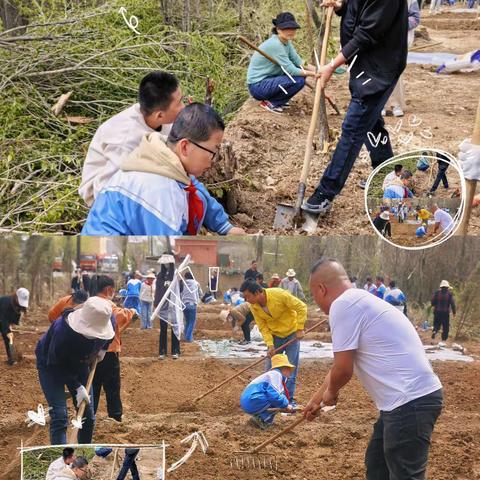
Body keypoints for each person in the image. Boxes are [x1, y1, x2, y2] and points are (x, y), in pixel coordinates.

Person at [304, 258, 443, 480]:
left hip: (410, 401)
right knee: (377, 464)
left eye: (313, 294)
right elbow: (339, 365)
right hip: (406, 401)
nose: (317, 302)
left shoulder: (342, 305)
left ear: (321, 289)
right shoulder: (359, 301)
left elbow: (343, 370)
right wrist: (316, 399)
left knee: (404, 474)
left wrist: (331, 394)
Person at [302, 0, 408, 215]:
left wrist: (332, 65)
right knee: (371, 124)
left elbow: (367, 33)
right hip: (364, 64)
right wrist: (341, 6)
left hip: (378, 69)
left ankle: (325, 193)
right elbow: (358, 9)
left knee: (353, 129)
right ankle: (389, 174)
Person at [82, 103, 245, 236]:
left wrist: (225, 227)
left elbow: (196, 190)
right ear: (185, 147)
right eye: (213, 152)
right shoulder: (159, 191)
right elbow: (169, 257)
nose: (214, 161)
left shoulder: (166, 162)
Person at [79, 71, 185, 206]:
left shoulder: (155, 116)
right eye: (179, 103)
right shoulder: (126, 140)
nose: (184, 107)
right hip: (101, 196)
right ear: (159, 116)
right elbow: (103, 192)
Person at [35, 296, 115, 444]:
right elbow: (55, 363)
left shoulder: (105, 317)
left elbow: (113, 325)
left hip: (80, 363)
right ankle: (60, 461)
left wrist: (103, 349)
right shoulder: (62, 332)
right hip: (51, 366)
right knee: (59, 415)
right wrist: (77, 386)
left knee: (87, 414)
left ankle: (84, 456)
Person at [240, 281, 307, 404]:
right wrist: (270, 344)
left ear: (257, 293)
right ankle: (268, 400)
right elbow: (262, 326)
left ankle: (288, 400)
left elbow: (301, 307)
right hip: (275, 337)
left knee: (290, 369)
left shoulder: (279, 294)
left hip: (292, 333)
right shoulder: (253, 307)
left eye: (248, 296)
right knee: (270, 370)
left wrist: (300, 328)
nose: (246, 300)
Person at [247, 12, 320, 114]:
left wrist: (318, 69)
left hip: (268, 81)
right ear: (278, 29)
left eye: (292, 28)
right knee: (298, 80)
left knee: (300, 76)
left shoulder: (286, 42)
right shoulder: (275, 44)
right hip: (258, 86)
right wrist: (313, 74)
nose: (290, 31)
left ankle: (279, 100)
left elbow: (298, 61)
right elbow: (291, 70)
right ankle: (271, 103)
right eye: (286, 29)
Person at [92, 276, 136, 423]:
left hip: (90, 352)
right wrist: (131, 312)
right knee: (112, 386)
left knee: (93, 385)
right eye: (113, 289)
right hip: (108, 352)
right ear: (108, 289)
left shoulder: (90, 303)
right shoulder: (107, 305)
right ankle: (115, 416)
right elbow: (118, 316)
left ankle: (89, 415)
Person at [382, 0, 420, 117]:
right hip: (380, 38)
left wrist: (399, 25)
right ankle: (380, 104)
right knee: (379, 71)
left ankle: (396, 104)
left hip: (399, 40)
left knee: (395, 72)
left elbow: (415, 18)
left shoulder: (410, 1)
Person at [240, 353, 296, 429]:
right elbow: (274, 396)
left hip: (249, 400)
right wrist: (286, 404)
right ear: (284, 368)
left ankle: (263, 419)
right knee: (276, 400)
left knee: (278, 399)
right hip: (252, 400)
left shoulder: (272, 375)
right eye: (289, 369)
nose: (290, 372)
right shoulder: (276, 374)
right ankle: (260, 419)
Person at [155, 254, 181, 359]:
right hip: (163, 307)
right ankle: (162, 351)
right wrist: (156, 304)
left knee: (175, 327)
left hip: (174, 306)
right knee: (163, 329)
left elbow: (181, 289)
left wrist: (178, 279)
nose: (165, 265)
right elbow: (158, 291)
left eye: (167, 263)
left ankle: (175, 350)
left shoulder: (175, 275)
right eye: (164, 263)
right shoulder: (160, 276)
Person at [0, 288, 29, 365]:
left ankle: (11, 359)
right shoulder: (6, 302)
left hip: (4, 320)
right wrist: (8, 331)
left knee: (9, 338)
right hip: (2, 318)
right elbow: (3, 319)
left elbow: (15, 319)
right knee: (7, 335)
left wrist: (15, 327)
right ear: (16, 297)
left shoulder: (19, 307)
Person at [181, 271, 202, 342]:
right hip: (192, 304)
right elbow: (200, 294)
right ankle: (188, 338)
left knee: (187, 321)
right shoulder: (196, 283)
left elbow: (180, 293)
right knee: (191, 322)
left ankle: (186, 337)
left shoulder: (183, 283)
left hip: (184, 304)